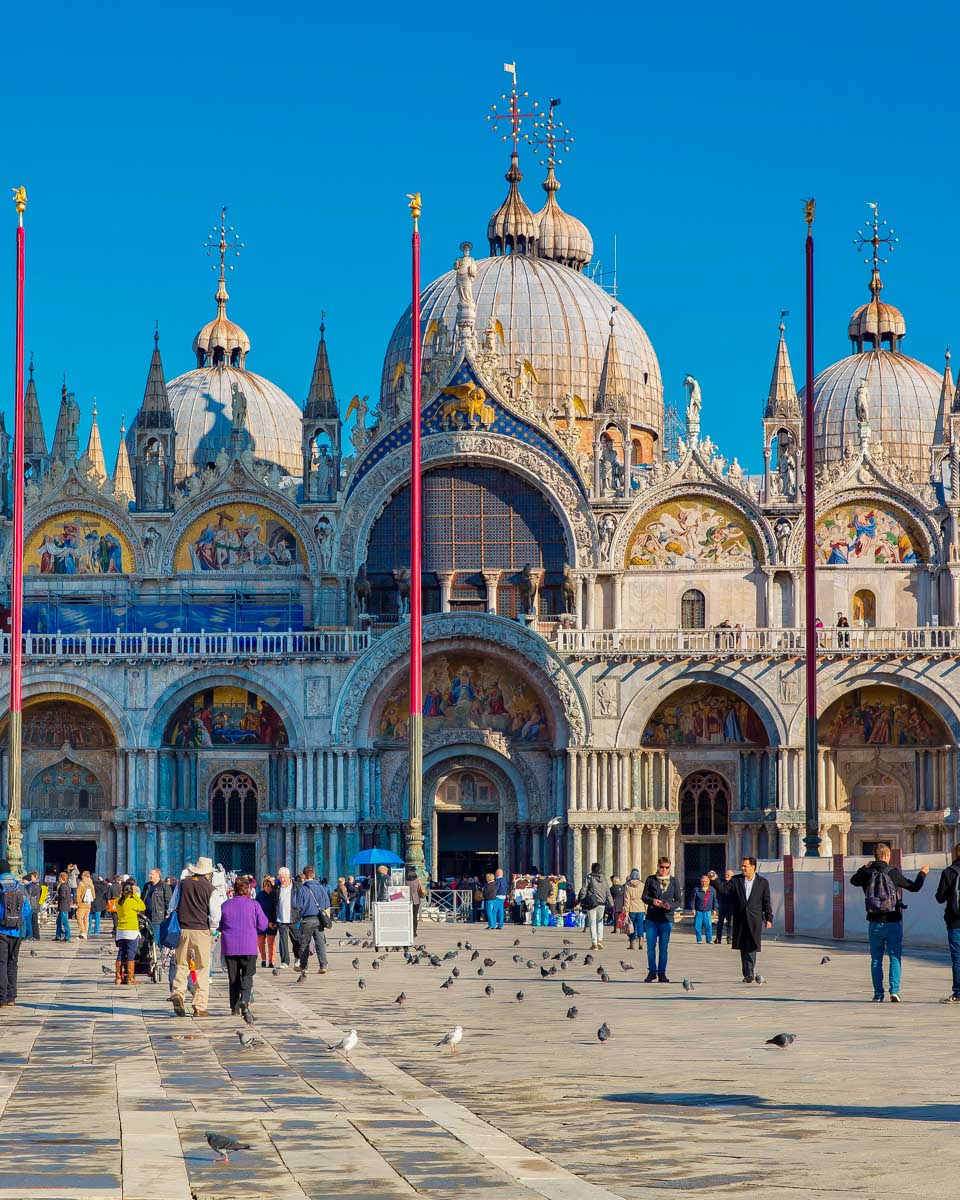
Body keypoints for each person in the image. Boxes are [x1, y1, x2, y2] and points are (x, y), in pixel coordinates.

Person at [850, 843, 928, 1002]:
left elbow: (853, 881)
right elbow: (914, 887)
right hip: (893, 920)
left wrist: (863, 868)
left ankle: (878, 994)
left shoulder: (867, 873)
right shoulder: (893, 873)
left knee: (876, 959)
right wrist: (922, 873)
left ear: (875, 856)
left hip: (874, 921)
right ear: (887, 856)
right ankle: (895, 990)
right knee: (894, 956)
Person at [168, 856, 222, 1018]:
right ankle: (199, 1006)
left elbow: (172, 906)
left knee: (182, 964)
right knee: (202, 968)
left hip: (183, 930)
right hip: (201, 931)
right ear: (208, 873)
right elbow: (215, 915)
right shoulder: (211, 889)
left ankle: (178, 993)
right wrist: (212, 929)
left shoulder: (182, 884)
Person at [710, 858, 774, 983]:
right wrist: (715, 880)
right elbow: (723, 890)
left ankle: (749, 971)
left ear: (753, 867)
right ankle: (747, 972)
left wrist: (769, 918)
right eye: (742, 866)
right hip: (740, 918)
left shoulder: (762, 882)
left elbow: (766, 901)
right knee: (743, 945)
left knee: (752, 944)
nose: (743, 868)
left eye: (745, 866)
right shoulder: (736, 880)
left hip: (755, 918)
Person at [219, 875, 269, 1014]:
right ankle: (244, 999)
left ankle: (234, 1008)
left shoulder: (225, 905)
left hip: (230, 947)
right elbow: (263, 924)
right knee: (248, 974)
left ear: (234, 890)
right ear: (248, 890)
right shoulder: (254, 905)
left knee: (233, 978)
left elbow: (219, 925)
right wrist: (253, 930)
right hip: (248, 946)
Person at [642, 857, 682, 982]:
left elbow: (678, 900)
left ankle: (662, 973)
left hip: (666, 919)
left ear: (670, 868)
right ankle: (652, 972)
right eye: (662, 867)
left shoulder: (674, 881)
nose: (664, 869)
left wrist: (669, 906)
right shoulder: (650, 879)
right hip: (652, 918)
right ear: (658, 866)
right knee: (650, 947)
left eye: (667, 867)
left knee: (663, 948)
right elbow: (644, 896)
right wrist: (652, 901)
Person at [0, 859, 31, 1007]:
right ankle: (12, 997)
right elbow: (27, 909)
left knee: (1, 963)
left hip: (1, 930)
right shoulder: (20, 886)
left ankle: (2, 998)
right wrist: (18, 922)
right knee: (13, 963)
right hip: (17, 930)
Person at [294, 866, 331, 975]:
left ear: (304, 876)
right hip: (319, 919)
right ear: (313, 874)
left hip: (307, 919)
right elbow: (327, 903)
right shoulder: (320, 887)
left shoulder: (302, 889)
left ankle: (304, 966)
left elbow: (298, 905)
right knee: (320, 943)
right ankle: (323, 965)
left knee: (304, 943)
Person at [936, 843, 960, 1004]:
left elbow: (940, 898)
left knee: (958, 958)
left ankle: (958, 993)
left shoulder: (949, 872)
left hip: (955, 921)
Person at [114, 879, 145, 986]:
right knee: (131, 954)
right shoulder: (132, 902)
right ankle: (130, 978)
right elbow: (142, 906)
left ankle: (118, 977)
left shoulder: (118, 901)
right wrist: (135, 896)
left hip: (121, 930)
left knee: (121, 953)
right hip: (131, 930)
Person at [577, 862, 613, 950]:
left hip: (592, 903)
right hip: (602, 904)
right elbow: (608, 892)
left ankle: (594, 943)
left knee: (592, 923)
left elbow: (584, 889)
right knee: (600, 922)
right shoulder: (604, 879)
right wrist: (612, 904)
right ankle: (600, 941)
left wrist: (581, 899)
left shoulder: (589, 878)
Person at [275, 867, 299, 965]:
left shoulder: (297, 887)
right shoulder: (276, 887)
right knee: (283, 941)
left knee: (296, 939)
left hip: (294, 917)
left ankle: (298, 957)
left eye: (283, 877)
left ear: (289, 877)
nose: (282, 880)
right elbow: (274, 903)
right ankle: (285, 961)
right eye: (280, 877)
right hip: (281, 918)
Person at [255, 875, 278, 968]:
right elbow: (256, 908)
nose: (268, 888)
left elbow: (277, 909)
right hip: (261, 921)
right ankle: (264, 959)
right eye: (266, 886)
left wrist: (275, 921)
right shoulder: (259, 895)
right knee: (260, 942)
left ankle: (271, 961)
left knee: (271, 942)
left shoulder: (275, 895)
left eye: (269, 886)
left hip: (272, 921)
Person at [691, 874, 718, 943]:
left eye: (706, 881)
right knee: (698, 926)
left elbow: (715, 900)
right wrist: (693, 909)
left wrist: (715, 909)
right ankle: (699, 939)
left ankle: (709, 939)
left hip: (708, 910)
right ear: (701, 881)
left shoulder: (712, 890)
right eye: (703, 881)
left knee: (708, 925)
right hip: (698, 910)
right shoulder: (696, 889)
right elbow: (692, 900)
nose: (704, 883)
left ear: (709, 882)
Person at [623, 869, 645, 951]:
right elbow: (645, 898)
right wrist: (646, 908)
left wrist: (626, 910)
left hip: (632, 908)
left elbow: (626, 899)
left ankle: (632, 943)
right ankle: (641, 938)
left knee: (631, 926)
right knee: (640, 925)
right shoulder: (642, 885)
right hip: (641, 907)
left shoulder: (628, 885)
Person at [75, 871, 95, 939]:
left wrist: (77, 902)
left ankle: (82, 932)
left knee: (79, 918)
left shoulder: (81, 883)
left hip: (82, 903)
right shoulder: (91, 884)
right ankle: (85, 933)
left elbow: (78, 894)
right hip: (89, 904)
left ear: (83, 876)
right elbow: (94, 895)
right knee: (86, 919)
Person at [715, 877, 735, 945]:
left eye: (728, 875)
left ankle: (729, 937)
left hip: (731, 906)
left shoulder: (734, 884)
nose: (726, 876)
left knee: (730, 923)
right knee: (720, 923)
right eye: (726, 874)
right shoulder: (722, 883)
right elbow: (720, 890)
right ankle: (718, 938)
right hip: (722, 905)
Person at [54, 872, 72, 941]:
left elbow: (63, 896)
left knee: (65, 922)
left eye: (59, 877)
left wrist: (56, 898)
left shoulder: (63, 886)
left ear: (62, 878)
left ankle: (67, 936)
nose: (58, 878)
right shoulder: (67, 885)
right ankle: (58, 935)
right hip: (63, 906)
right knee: (58, 921)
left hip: (63, 906)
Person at [407, 870, 425, 937]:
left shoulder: (406, 881)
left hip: (408, 901)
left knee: (408, 916)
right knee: (414, 917)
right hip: (416, 900)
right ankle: (414, 932)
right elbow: (419, 890)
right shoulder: (417, 880)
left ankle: (409, 930)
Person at [24, 872, 41, 941]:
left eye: (32, 877)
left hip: (33, 905)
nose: (31, 878)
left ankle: (34, 936)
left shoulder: (33, 885)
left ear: (35, 877)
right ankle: (35, 935)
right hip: (35, 904)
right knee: (34, 920)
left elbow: (31, 895)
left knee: (33, 921)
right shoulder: (37, 885)